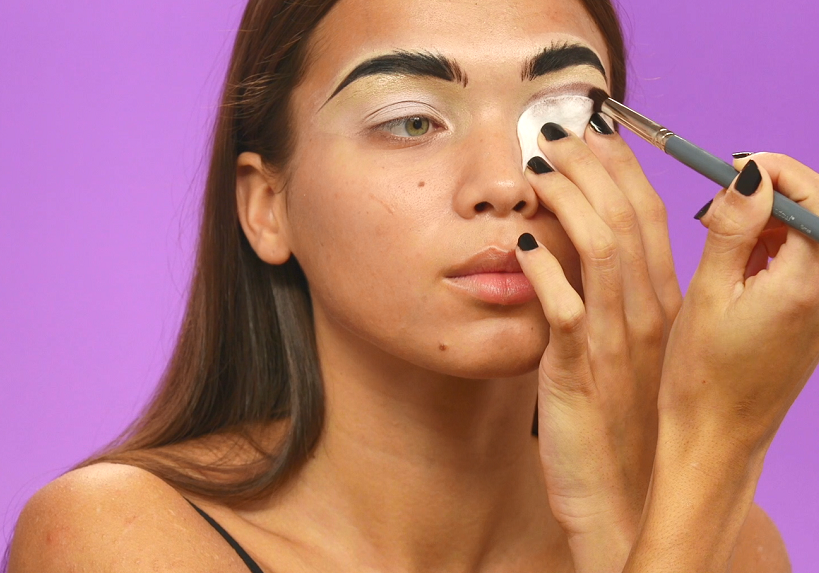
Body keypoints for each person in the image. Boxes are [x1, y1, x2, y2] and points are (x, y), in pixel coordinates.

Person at [6, 0, 819, 570]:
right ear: (266, 207)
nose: (506, 182)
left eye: (561, 121)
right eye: (409, 120)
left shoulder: (730, 540)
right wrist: (716, 441)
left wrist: (635, 527)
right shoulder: (121, 539)